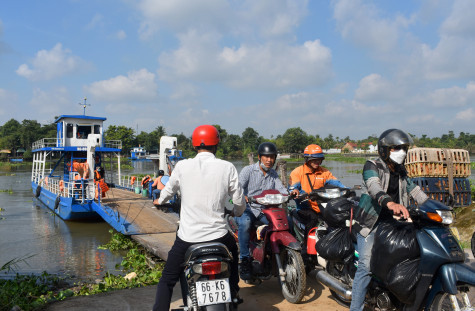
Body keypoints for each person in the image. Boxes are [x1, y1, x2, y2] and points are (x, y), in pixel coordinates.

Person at [152, 125, 246, 311]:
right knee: (234, 256)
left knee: (168, 280)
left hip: (188, 238)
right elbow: (239, 200)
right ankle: (233, 292)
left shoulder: (182, 166)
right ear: (216, 144)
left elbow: (168, 191)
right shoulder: (227, 167)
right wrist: (237, 212)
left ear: (195, 145)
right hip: (219, 237)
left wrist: (159, 201)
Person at [349, 129, 428, 311]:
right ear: (385, 150)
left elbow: (414, 191)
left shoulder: (401, 171)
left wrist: (433, 205)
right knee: (366, 266)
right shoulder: (372, 165)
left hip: (395, 223)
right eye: (396, 148)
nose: (402, 152)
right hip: (370, 224)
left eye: (404, 148)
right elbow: (374, 187)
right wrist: (391, 203)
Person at [235, 142, 288, 280]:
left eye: (272, 157)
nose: (269, 160)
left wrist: (290, 193)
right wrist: (243, 196)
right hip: (248, 208)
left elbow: (282, 190)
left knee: (283, 223)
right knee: (245, 224)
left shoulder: (273, 174)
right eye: (266, 157)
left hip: (265, 210)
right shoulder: (248, 170)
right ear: (259, 157)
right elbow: (237, 188)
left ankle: (279, 254)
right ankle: (245, 260)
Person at [289, 144, 346, 234]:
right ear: (307, 159)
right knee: (313, 218)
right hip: (305, 206)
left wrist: (347, 190)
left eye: (319, 159)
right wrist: (295, 191)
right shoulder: (297, 172)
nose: (317, 162)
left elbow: (337, 183)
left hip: (322, 206)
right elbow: (293, 187)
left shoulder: (325, 172)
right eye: (314, 159)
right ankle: (306, 245)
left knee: (338, 217)